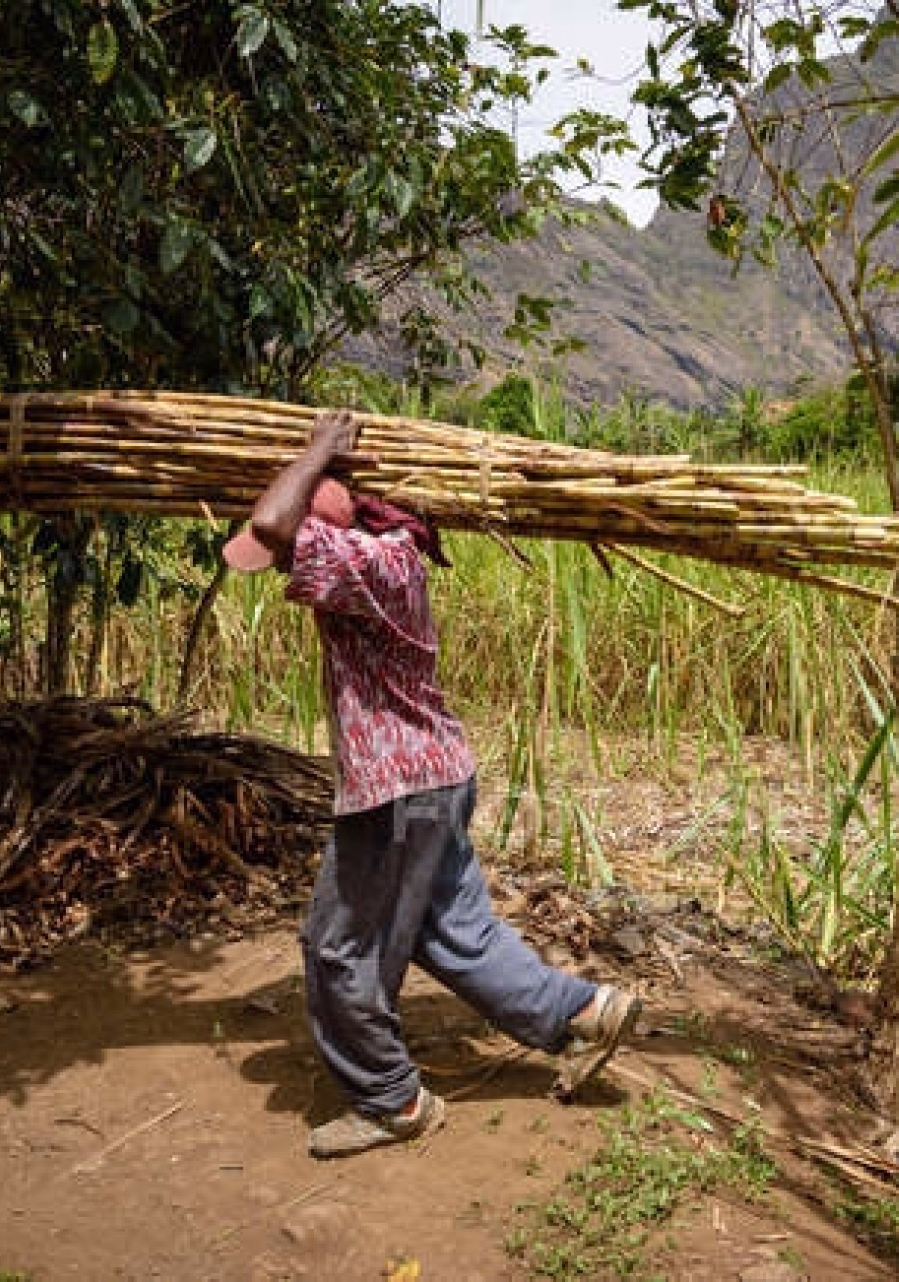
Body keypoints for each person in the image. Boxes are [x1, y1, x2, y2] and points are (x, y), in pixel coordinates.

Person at [223, 409, 640, 1159]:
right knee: (453, 931)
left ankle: (393, 1101)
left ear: (333, 536)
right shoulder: (388, 557)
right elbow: (281, 532)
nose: (282, 571)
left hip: (398, 794)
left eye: (287, 560)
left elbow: (275, 523)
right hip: (433, 779)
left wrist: (319, 448)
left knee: (337, 946)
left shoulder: (370, 565)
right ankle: (585, 1014)